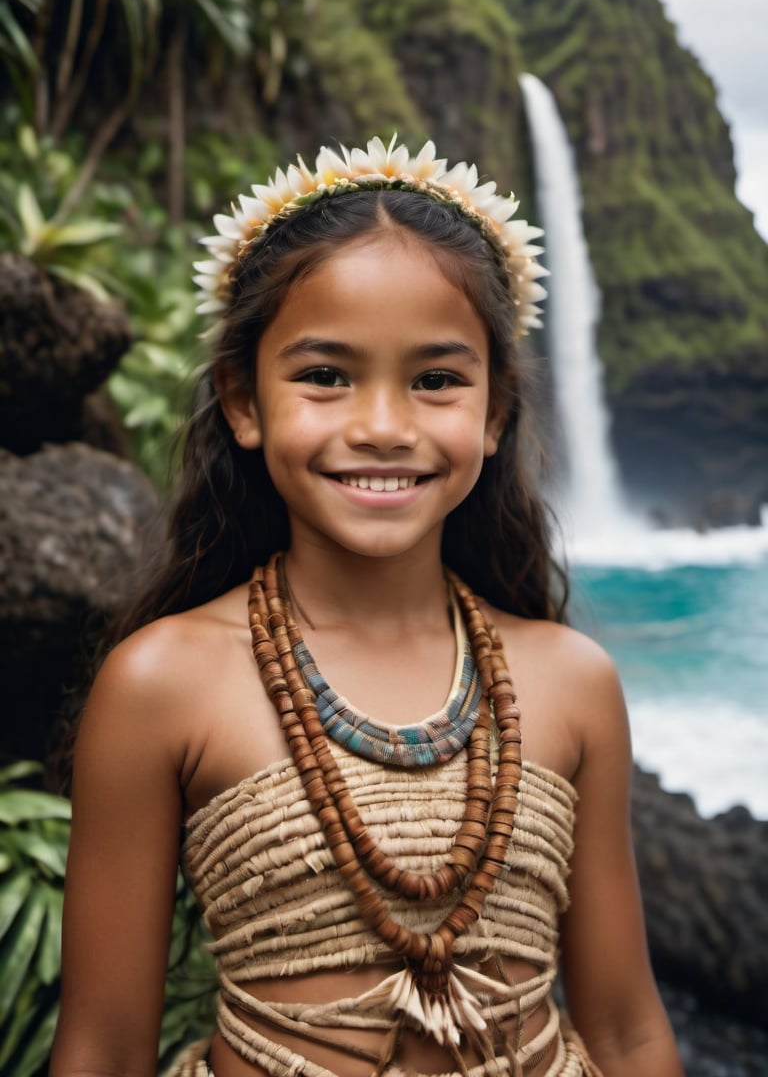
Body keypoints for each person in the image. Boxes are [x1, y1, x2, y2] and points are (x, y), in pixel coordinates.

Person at [50, 136, 683, 1077]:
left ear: (495, 412)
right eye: (325, 376)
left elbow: (628, 1031)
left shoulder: (572, 682)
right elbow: (102, 1049)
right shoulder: (162, 684)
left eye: (435, 380)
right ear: (243, 399)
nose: (382, 428)